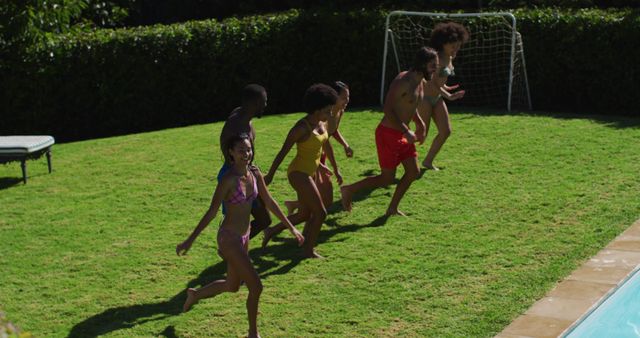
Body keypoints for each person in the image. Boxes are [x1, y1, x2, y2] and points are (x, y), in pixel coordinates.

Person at [177, 133, 304, 338]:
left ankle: (195, 294)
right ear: (231, 153)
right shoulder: (228, 180)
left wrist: (292, 228)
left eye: (249, 149)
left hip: (244, 236)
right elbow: (211, 212)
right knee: (256, 285)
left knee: (232, 285)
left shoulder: (255, 174)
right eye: (241, 150)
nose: (246, 154)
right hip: (228, 238)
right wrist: (189, 240)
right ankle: (253, 335)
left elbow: (270, 203)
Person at [340, 47, 438, 216]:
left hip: (402, 134)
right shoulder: (403, 81)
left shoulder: (420, 82)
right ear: (422, 64)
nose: (435, 69)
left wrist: (420, 124)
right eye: (432, 65)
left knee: (413, 172)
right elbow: (388, 108)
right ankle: (349, 189)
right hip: (387, 134)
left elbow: (410, 106)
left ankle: (392, 208)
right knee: (387, 179)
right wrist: (406, 130)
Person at [262, 84, 339, 258]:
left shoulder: (322, 123)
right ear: (316, 110)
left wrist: (328, 167)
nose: (330, 114)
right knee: (320, 212)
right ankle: (308, 250)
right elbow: (283, 152)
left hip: (310, 172)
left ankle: (271, 231)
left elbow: (323, 146)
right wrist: (270, 175)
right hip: (298, 174)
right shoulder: (301, 128)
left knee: (305, 214)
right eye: (327, 111)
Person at [284, 81, 352, 214]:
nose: (347, 101)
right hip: (312, 157)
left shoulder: (337, 113)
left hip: (319, 154)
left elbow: (331, 133)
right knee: (319, 202)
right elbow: (322, 139)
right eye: (344, 97)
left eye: (348, 97)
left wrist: (345, 145)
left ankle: (296, 206)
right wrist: (321, 164)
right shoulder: (319, 118)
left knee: (322, 198)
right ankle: (302, 212)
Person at [218, 84, 271, 238]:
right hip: (233, 178)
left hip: (245, 174)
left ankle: (235, 248)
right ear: (254, 103)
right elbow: (230, 156)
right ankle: (230, 248)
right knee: (237, 222)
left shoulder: (243, 117)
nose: (266, 105)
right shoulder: (236, 126)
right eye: (264, 101)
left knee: (264, 220)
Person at [420, 22, 469, 170]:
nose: (456, 49)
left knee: (445, 131)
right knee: (421, 134)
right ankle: (395, 153)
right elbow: (430, 82)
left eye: (458, 45)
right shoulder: (436, 59)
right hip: (425, 99)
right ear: (443, 44)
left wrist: (447, 88)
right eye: (453, 46)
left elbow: (439, 82)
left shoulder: (449, 58)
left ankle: (427, 161)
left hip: (437, 98)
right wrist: (449, 96)